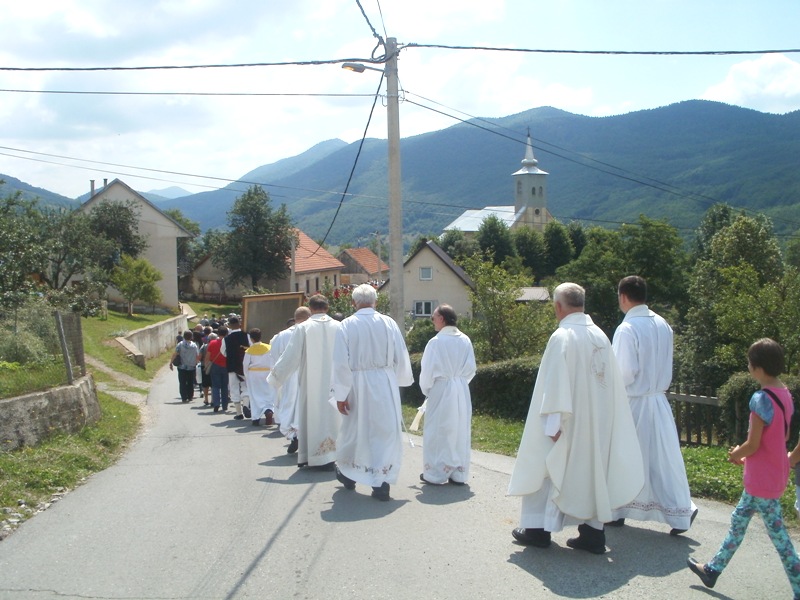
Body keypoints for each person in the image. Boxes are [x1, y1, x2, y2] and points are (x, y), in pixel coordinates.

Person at [507, 282, 644, 553]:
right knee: (593, 472)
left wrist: (553, 425)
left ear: (558, 306)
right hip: (598, 423)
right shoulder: (601, 335)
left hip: (566, 423)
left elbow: (555, 385)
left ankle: (537, 530)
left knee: (548, 467)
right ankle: (593, 534)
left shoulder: (562, 336)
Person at [688, 339, 800, 597]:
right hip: (772, 471)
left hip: (762, 478)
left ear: (758, 368)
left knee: (780, 538)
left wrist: (737, 453)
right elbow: (778, 439)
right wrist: (748, 452)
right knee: (739, 520)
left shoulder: (761, 398)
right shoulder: (785, 394)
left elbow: (754, 443)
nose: (748, 366)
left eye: (750, 362)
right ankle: (712, 570)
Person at [609, 275, 698, 534]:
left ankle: (617, 510)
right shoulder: (663, 324)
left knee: (624, 458)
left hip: (634, 402)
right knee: (663, 459)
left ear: (623, 296)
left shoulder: (627, 328)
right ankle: (680, 510)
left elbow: (624, 372)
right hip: (658, 401)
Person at [331, 284, 414, 501]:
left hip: (357, 383)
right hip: (385, 382)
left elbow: (340, 363)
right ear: (375, 302)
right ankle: (382, 481)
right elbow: (401, 354)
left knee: (355, 430)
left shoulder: (347, 325)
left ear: (353, 303)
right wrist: (399, 380)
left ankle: (350, 473)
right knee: (384, 431)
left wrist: (341, 395)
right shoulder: (389, 323)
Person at [268, 295, 341, 468]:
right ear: (327, 307)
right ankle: (332, 456)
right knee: (332, 418)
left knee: (312, 417)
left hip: (311, 382)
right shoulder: (340, 326)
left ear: (311, 308)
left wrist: (275, 377)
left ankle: (313, 456)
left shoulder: (303, 328)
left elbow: (291, 356)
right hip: (335, 382)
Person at [418, 304, 476, 486]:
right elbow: (471, 369)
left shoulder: (436, 342)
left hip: (441, 388)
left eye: (433, 317)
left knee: (438, 430)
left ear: (442, 319)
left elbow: (427, 372)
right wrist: (459, 384)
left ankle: (436, 473)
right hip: (460, 389)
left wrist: (428, 390)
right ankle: (458, 473)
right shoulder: (465, 340)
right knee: (458, 428)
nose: (432, 321)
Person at [269, 308, 311, 454]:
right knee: (307, 407)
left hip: (289, 376)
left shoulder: (281, 336)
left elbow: (274, 356)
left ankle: (294, 435)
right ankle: (307, 437)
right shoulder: (311, 330)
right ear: (308, 316)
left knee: (290, 406)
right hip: (309, 374)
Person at [242, 328, 276, 427]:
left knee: (255, 396)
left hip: (254, 374)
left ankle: (256, 418)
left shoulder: (249, 350)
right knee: (268, 393)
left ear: (251, 339)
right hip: (267, 372)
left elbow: (245, 364)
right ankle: (269, 409)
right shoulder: (269, 348)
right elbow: (272, 361)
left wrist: (246, 375)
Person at [222, 316, 250, 420]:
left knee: (234, 388)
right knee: (245, 386)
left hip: (232, 366)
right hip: (244, 366)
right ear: (239, 324)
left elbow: (223, 352)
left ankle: (239, 413)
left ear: (229, 326)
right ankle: (246, 405)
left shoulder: (226, 339)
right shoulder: (246, 336)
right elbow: (250, 349)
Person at [169, 331, 199, 403]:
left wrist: (171, 362)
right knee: (190, 382)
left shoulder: (180, 344)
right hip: (191, 366)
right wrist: (196, 363)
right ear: (191, 337)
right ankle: (190, 396)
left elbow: (175, 354)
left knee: (182, 382)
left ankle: (184, 397)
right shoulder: (194, 345)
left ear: (183, 336)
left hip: (182, 366)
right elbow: (197, 355)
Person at [206, 326, 229, 413]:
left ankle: (216, 404)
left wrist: (206, 365)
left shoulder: (212, 343)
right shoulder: (228, 343)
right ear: (227, 333)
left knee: (215, 386)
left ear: (218, 334)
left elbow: (208, 356)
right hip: (226, 366)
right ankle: (225, 405)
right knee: (224, 386)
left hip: (215, 365)